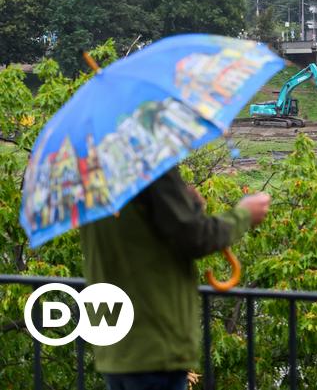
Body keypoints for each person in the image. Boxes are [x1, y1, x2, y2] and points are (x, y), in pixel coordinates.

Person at [79, 166, 271, 390]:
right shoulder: (149, 168)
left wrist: (187, 206)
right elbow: (194, 237)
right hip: (154, 342)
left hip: (113, 345)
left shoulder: (90, 174)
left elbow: (139, 237)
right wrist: (243, 215)